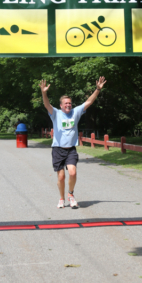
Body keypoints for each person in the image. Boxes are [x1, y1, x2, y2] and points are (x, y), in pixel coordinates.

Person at [39, 77, 106, 209]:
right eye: (66, 103)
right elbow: (47, 105)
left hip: (71, 149)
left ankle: (70, 194)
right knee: (61, 177)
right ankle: (61, 198)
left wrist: (97, 89)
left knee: (73, 172)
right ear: (61, 105)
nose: (68, 105)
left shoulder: (76, 112)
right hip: (58, 149)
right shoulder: (56, 114)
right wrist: (44, 92)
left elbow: (88, 102)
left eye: (70, 103)